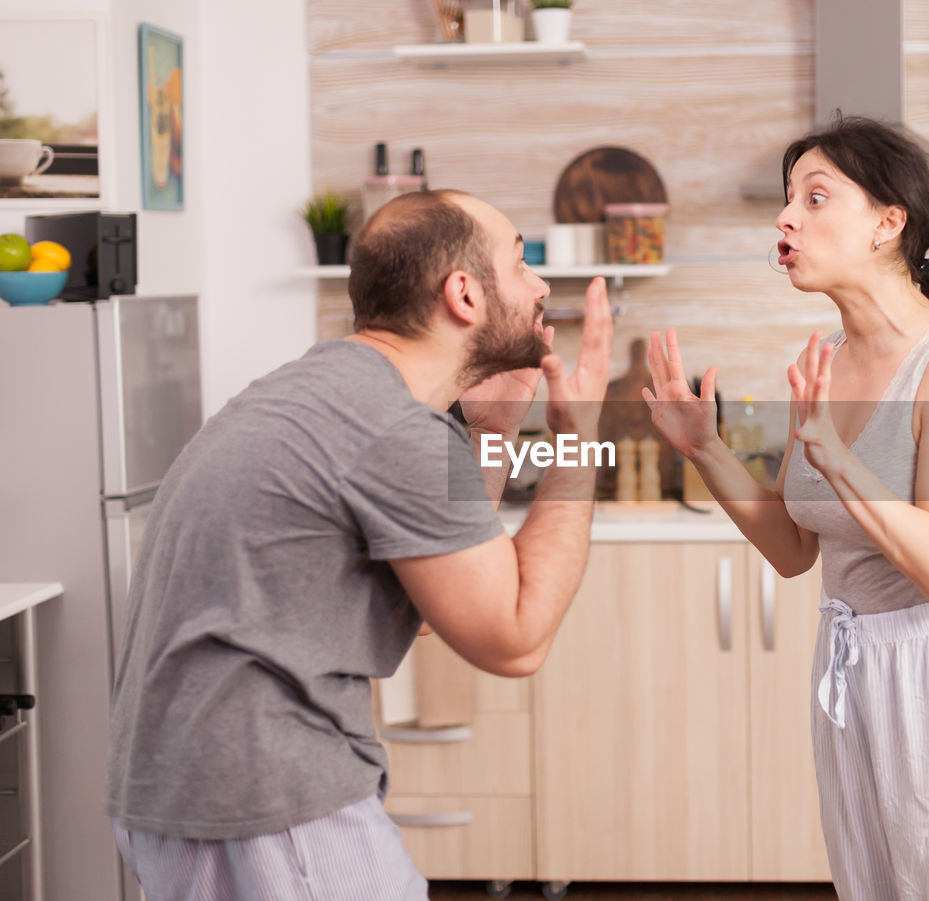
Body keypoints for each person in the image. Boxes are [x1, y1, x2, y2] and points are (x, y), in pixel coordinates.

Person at [105, 189, 613, 900]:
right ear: (463, 294)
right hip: (265, 800)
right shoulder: (390, 426)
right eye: (522, 261)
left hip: (196, 791)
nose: (540, 286)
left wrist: (493, 433)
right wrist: (578, 439)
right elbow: (514, 638)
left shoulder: (329, 390)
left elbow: (446, 606)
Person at [643, 117, 929, 899]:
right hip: (852, 662)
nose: (786, 218)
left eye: (816, 198)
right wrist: (706, 447)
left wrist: (837, 456)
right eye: (788, 199)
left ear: (889, 223)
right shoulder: (823, 358)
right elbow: (795, 550)